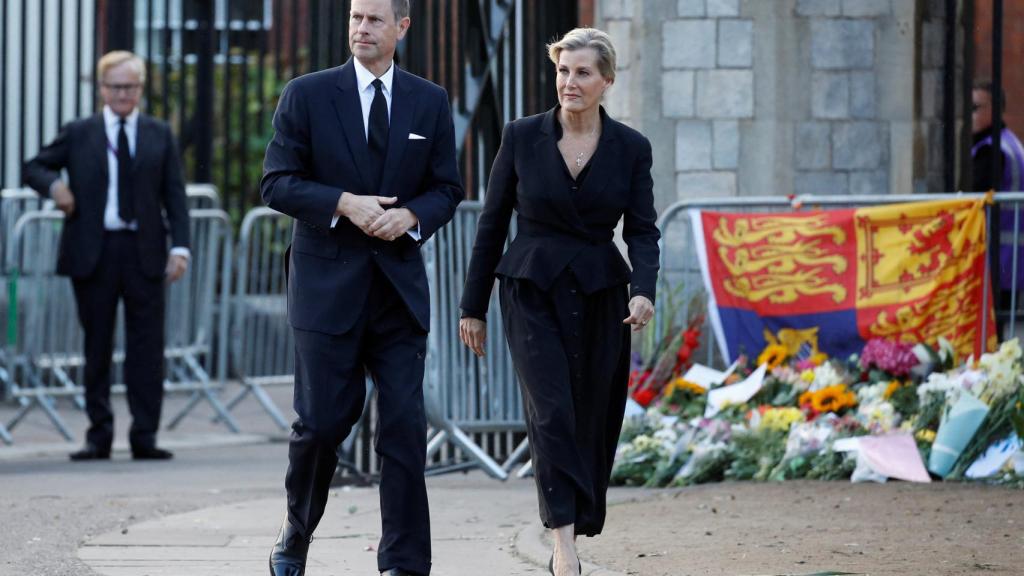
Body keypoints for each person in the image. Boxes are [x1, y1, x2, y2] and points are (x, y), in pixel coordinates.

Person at [260, 0, 463, 573]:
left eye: (374, 19)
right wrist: (343, 203)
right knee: (322, 423)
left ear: (402, 27)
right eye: (355, 17)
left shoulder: (430, 100)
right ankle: (297, 529)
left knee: (404, 428)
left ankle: (404, 562)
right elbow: (276, 183)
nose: (361, 28)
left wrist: (412, 216)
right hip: (326, 289)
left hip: (397, 291)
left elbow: (447, 188)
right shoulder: (307, 94)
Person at [458, 28, 660, 576]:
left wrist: (643, 290)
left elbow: (643, 230)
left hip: (600, 293)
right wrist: (472, 306)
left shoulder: (631, 148)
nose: (569, 82)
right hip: (531, 288)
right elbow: (492, 223)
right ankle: (563, 544)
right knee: (550, 412)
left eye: (583, 72)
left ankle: (577, 517)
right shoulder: (522, 136)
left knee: (591, 413)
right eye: (563, 71)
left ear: (607, 81)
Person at [22, 50, 190, 462]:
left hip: (144, 251)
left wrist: (180, 248)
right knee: (96, 346)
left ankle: (144, 435)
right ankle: (98, 435)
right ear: (101, 89)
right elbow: (34, 167)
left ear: (141, 89)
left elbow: (175, 195)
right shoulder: (80, 132)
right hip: (94, 251)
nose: (122, 94)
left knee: (147, 348)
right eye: (115, 87)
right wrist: (56, 189)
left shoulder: (158, 133)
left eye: (129, 87)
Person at [971, 81, 1024, 326]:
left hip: (996, 257)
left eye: (975, 107)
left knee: (990, 328)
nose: (969, 114)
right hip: (1011, 258)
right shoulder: (1009, 142)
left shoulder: (991, 150)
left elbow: (973, 199)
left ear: (994, 109)